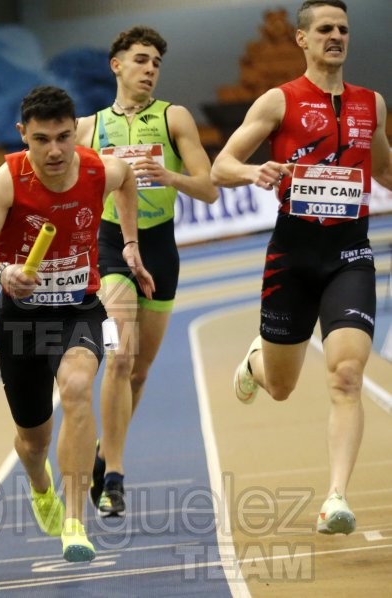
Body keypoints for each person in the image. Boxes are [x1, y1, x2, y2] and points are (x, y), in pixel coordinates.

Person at [211, 0, 392, 535]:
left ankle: (335, 497)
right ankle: (255, 365)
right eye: (325, 30)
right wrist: (253, 171)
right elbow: (221, 165)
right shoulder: (278, 100)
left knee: (347, 373)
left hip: (350, 252)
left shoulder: (371, 104)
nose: (336, 37)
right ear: (303, 40)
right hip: (292, 254)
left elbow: (383, 166)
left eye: (343, 29)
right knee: (283, 386)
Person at [0, 85, 154, 562]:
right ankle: (40, 484)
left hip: (77, 307)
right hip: (22, 318)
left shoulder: (97, 168)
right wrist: (3, 273)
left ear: (75, 132)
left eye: (64, 137)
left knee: (77, 388)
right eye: (42, 139)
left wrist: (129, 243)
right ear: (23, 134)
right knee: (32, 439)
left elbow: (127, 179)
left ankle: (75, 522)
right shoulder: (6, 180)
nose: (54, 150)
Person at [75, 26, 219, 516]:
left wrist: (170, 175)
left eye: (156, 62)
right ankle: (115, 476)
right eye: (141, 60)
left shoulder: (173, 117)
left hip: (161, 249)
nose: (150, 69)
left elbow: (209, 188)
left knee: (138, 370)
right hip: (112, 247)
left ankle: (103, 453)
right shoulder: (87, 129)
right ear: (116, 65)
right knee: (119, 357)